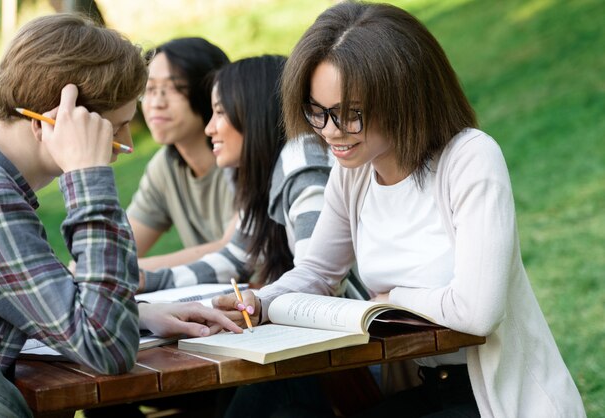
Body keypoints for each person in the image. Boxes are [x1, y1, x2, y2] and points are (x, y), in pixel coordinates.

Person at [214, 2, 586, 417]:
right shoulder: (352, 172)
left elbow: (479, 312)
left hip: (493, 396)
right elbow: (318, 272)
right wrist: (261, 301)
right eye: (318, 112)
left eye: (350, 114)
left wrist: (394, 300)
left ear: (404, 95)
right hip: (428, 389)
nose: (331, 132)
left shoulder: (469, 158)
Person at [0, 13, 241, 399]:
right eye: (115, 130)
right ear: (57, 121)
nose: (127, 147)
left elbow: (50, 308)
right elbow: (106, 347)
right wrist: (88, 176)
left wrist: (138, 315)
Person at [140, 55, 334, 293]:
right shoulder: (262, 176)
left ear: (253, 113)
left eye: (220, 112)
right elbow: (233, 259)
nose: (209, 129)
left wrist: (259, 303)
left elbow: (316, 280)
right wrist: (145, 280)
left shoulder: (304, 168)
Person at [129, 37, 236, 271]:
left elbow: (234, 252)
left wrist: (128, 273)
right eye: (149, 89)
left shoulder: (241, 158)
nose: (155, 102)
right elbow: (121, 247)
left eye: (170, 88)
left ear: (210, 90)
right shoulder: (165, 167)